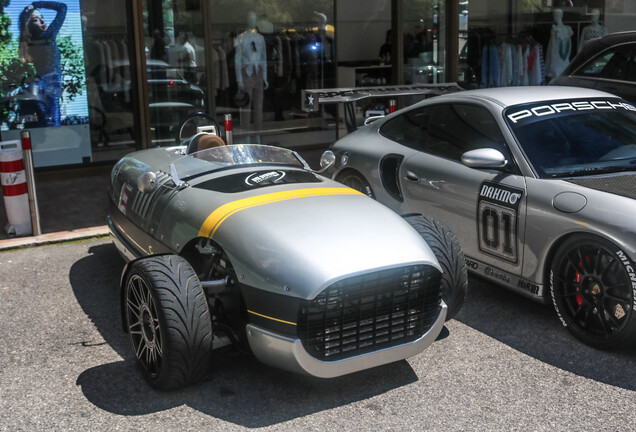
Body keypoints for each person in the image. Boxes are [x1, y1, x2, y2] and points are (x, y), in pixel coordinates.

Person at [19, 1, 67, 127]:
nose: (42, 21)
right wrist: (36, 4)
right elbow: (62, 7)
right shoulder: (47, 36)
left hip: (37, 88)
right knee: (54, 129)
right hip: (48, 90)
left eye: (42, 18)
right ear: (28, 24)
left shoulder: (28, 45)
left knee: (43, 128)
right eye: (36, 19)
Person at [235, 11, 268, 143]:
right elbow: (237, 59)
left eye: (254, 19)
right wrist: (239, 79)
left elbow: (264, 58)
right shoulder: (241, 38)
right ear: (246, 20)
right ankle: (246, 135)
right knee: (245, 108)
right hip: (246, 72)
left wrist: (265, 77)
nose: (252, 21)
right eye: (250, 18)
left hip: (258, 73)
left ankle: (258, 135)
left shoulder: (260, 38)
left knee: (259, 107)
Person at [545, 8, 573, 81]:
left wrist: (551, 62)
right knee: (564, 78)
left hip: (556, 58)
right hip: (565, 58)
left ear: (556, 15)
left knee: (555, 79)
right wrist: (567, 56)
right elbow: (570, 46)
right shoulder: (568, 29)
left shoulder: (554, 29)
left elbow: (553, 47)